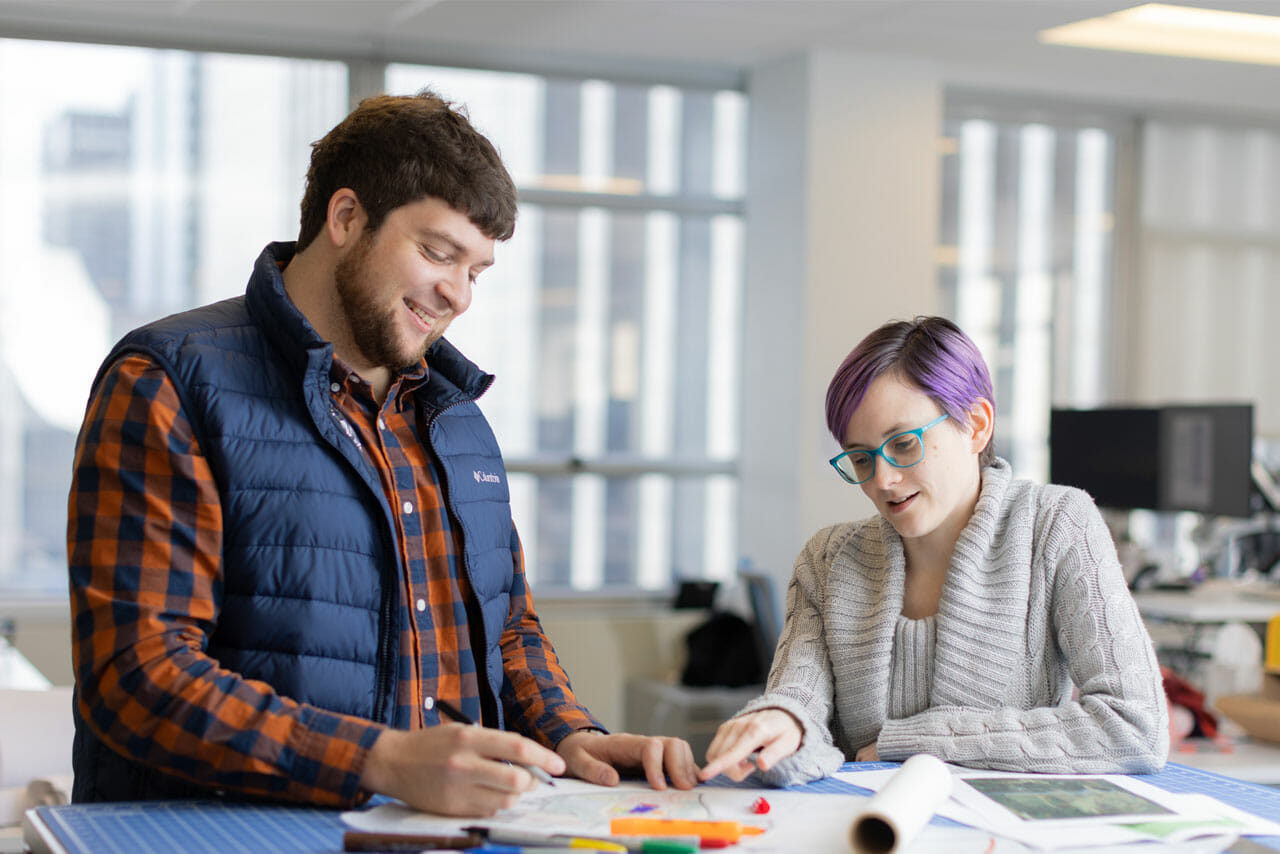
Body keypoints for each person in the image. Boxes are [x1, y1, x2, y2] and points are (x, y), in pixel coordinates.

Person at [67, 90, 697, 817]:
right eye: (437, 252)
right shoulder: (171, 381)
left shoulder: (456, 419)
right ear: (345, 218)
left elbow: (507, 626)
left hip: (432, 832)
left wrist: (572, 733)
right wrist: (379, 762)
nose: (458, 294)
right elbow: (139, 675)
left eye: (477, 271)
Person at [699, 316, 1168, 786]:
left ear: (977, 426)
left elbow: (1135, 725)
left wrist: (916, 742)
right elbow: (802, 705)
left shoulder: (1056, 524)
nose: (882, 481)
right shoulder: (827, 560)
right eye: (861, 458)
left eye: (903, 444)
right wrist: (785, 723)